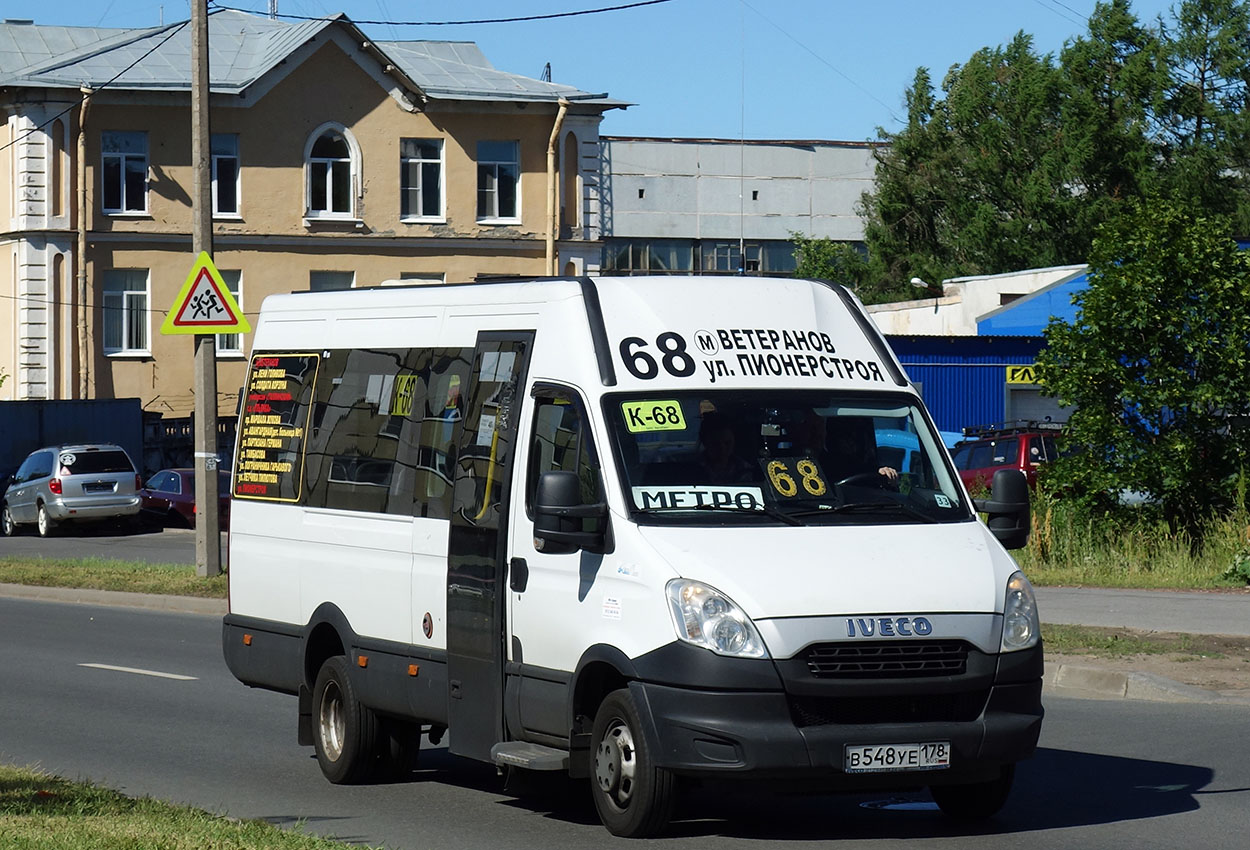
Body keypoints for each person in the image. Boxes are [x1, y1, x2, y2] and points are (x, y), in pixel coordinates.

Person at [822, 414, 899, 485]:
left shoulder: (867, 464)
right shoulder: (821, 463)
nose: (850, 444)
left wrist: (885, 473)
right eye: (843, 437)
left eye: (856, 437)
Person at [697, 413, 754, 484]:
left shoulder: (748, 470)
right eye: (715, 444)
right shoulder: (691, 470)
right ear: (705, 442)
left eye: (727, 443)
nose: (722, 448)